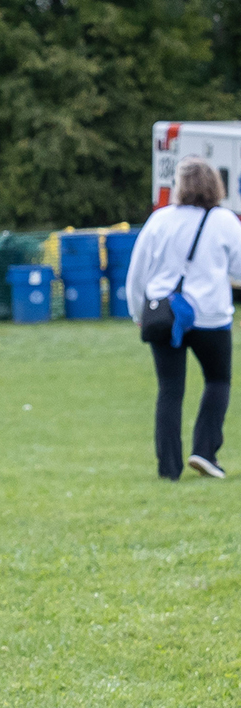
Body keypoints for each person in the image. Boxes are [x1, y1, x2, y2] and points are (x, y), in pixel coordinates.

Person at [126, 156, 241, 480]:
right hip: (210, 316)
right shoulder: (224, 221)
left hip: (164, 313)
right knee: (217, 381)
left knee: (170, 389)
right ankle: (205, 451)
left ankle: (169, 468)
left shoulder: (160, 220)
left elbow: (137, 272)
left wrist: (138, 312)